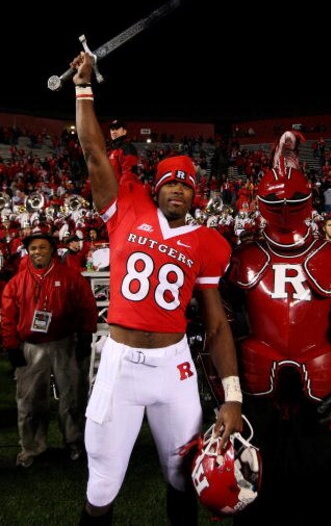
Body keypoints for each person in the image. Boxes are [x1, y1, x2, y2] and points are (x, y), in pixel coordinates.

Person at [71, 52, 242, 525]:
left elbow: (215, 322)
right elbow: (91, 150)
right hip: (120, 362)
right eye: (170, 183)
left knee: (182, 475)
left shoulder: (207, 243)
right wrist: (84, 89)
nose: (177, 191)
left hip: (175, 366)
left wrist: (232, 395)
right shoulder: (125, 207)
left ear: (195, 195)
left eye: (186, 186)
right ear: (157, 187)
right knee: (102, 483)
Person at [225, 131, 331, 526]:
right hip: (257, 392)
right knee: (259, 490)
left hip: (324, 391)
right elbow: (218, 326)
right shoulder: (242, 256)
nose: (282, 207)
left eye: (291, 199)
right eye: (274, 199)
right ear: (259, 201)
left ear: (308, 199)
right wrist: (226, 393)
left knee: (325, 498)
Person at [1, 232, 98, 467]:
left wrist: (85, 336)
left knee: (72, 398)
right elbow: (6, 316)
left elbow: (87, 306)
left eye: (42, 247)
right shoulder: (17, 282)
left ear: (52, 250)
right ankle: (32, 448)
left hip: (65, 344)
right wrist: (12, 346)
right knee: (30, 401)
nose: (37, 252)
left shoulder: (70, 277)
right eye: (33, 248)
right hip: (31, 347)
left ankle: (74, 443)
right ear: (28, 252)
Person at [107, 119, 138, 183]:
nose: (114, 132)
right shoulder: (110, 150)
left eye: (117, 129)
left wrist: (122, 190)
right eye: (112, 129)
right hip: (110, 190)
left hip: (120, 190)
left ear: (124, 132)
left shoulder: (128, 148)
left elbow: (129, 174)